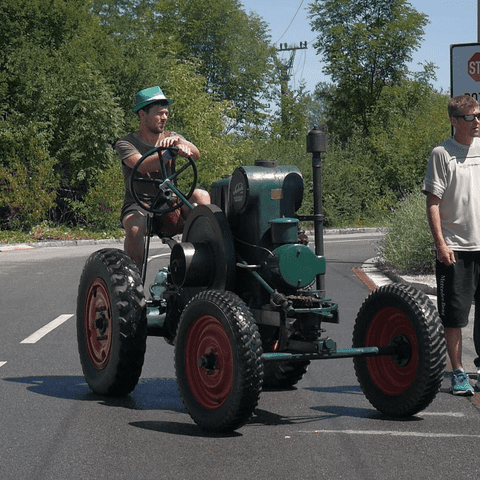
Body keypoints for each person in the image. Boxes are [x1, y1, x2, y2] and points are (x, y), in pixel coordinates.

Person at [422, 94, 480, 396]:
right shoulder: (441, 154)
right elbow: (433, 204)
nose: (476, 123)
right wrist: (441, 244)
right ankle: (458, 373)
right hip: (456, 249)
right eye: (470, 118)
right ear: (455, 121)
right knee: (455, 316)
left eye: (478, 116)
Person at [115, 86, 210, 268]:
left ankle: (203, 263)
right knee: (135, 228)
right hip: (139, 203)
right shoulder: (126, 143)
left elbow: (196, 153)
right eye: (159, 113)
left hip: (169, 201)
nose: (164, 118)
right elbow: (141, 166)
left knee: (201, 196)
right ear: (143, 114)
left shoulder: (171, 137)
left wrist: (180, 144)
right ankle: (132, 280)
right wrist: (168, 153)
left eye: (166, 113)